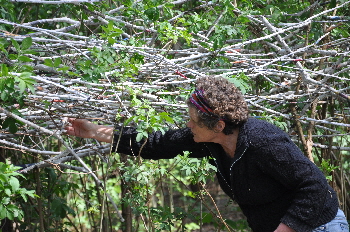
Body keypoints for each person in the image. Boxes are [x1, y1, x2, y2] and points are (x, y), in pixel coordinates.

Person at [65, 76, 349, 232]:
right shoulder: (206, 141)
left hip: (320, 226)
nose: (188, 125)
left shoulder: (264, 142)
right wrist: (93, 131)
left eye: (193, 120)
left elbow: (315, 187)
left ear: (219, 125)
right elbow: (154, 143)